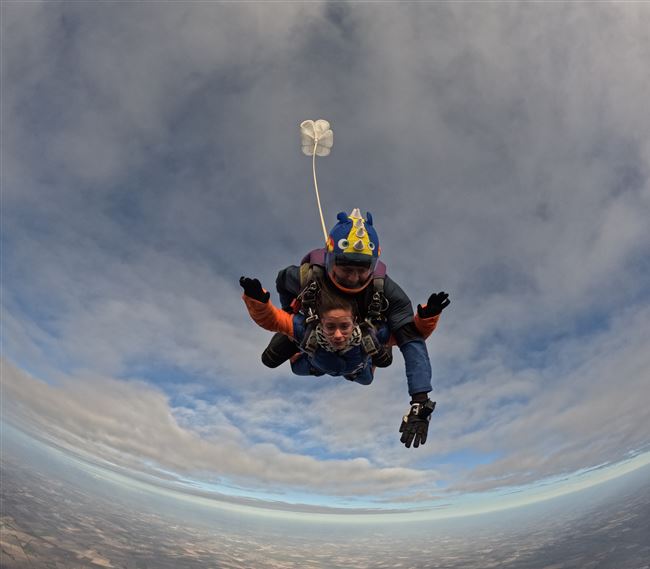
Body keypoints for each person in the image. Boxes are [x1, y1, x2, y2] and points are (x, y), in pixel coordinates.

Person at [252, 208, 450, 448]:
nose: (354, 278)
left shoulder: (387, 292)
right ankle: (323, 354)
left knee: (375, 365)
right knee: (270, 358)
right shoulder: (306, 278)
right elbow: (282, 282)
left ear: (373, 266)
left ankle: (368, 353)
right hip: (316, 333)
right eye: (346, 268)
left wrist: (420, 400)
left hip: (361, 340)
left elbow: (411, 340)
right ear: (329, 259)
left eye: (362, 270)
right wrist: (292, 311)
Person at [241, 280, 392, 384]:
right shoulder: (306, 330)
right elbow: (273, 319)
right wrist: (258, 301)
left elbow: (402, 331)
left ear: (355, 322)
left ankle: (293, 339)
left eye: (344, 326)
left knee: (369, 378)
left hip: (354, 369)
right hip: (317, 365)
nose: (338, 335)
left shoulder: (372, 333)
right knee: (274, 360)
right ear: (320, 323)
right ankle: (292, 339)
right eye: (330, 327)